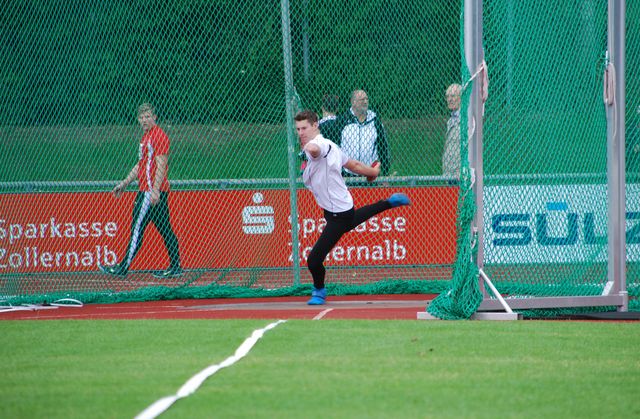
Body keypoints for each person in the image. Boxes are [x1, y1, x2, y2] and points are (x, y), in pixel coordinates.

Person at [295, 110, 410, 305]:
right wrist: (372, 172)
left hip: (338, 214)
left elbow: (315, 149)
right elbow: (354, 165)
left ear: (315, 125)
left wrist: (308, 146)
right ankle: (389, 202)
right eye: (298, 129)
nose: (300, 133)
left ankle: (319, 291)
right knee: (353, 219)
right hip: (340, 208)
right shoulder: (333, 147)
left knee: (314, 260)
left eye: (304, 128)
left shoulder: (320, 145)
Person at [99, 103, 182, 278]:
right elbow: (141, 165)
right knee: (165, 229)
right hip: (149, 191)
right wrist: (124, 183)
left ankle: (122, 268)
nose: (144, 120)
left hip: (149, 193)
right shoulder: (146, 137)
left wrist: (155, 190)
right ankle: (176, 267)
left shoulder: (158, 136)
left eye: (148, 116)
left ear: (154, 118)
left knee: (137, 228)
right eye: (141, 117)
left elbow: (161, 164)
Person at [339, 90, 391, 176]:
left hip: (369, 172)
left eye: (367, 99)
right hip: (347, 173)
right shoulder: (342, 121)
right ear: (353, 102)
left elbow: (383, 147)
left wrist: (385, 172)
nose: (365, 102)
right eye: (362, 99)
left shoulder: (375, 121)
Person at [442, 83, 462, 179]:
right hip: (449, 172)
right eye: (447, 96)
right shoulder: (450, 120)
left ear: (461, 97)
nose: (450, 99)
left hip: (460, 173)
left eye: (453, 96)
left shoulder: (467, 119)